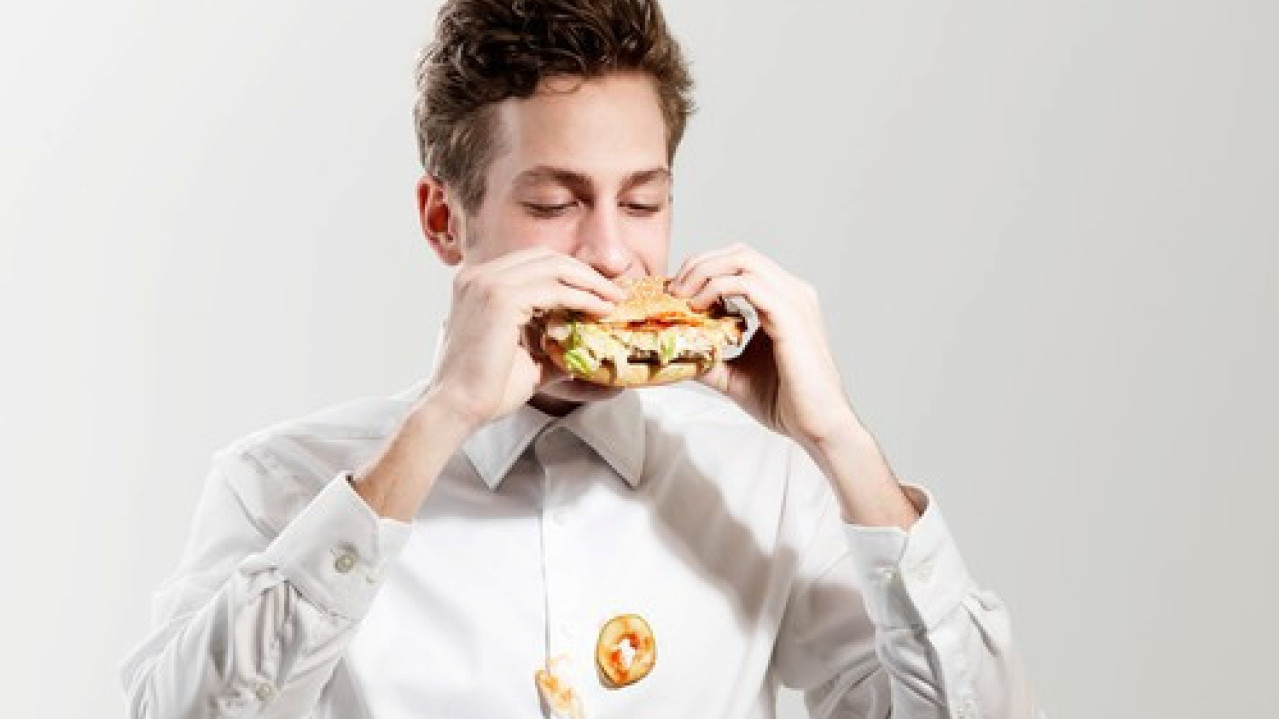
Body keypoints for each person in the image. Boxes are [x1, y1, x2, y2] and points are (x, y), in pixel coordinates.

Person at [122, 1, 1041, 717]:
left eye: (641, 204)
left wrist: (839, 439)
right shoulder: (277, 483)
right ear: (444, 220)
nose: (610, 255)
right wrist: (438, 423)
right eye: (554, 204)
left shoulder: (764, 481)